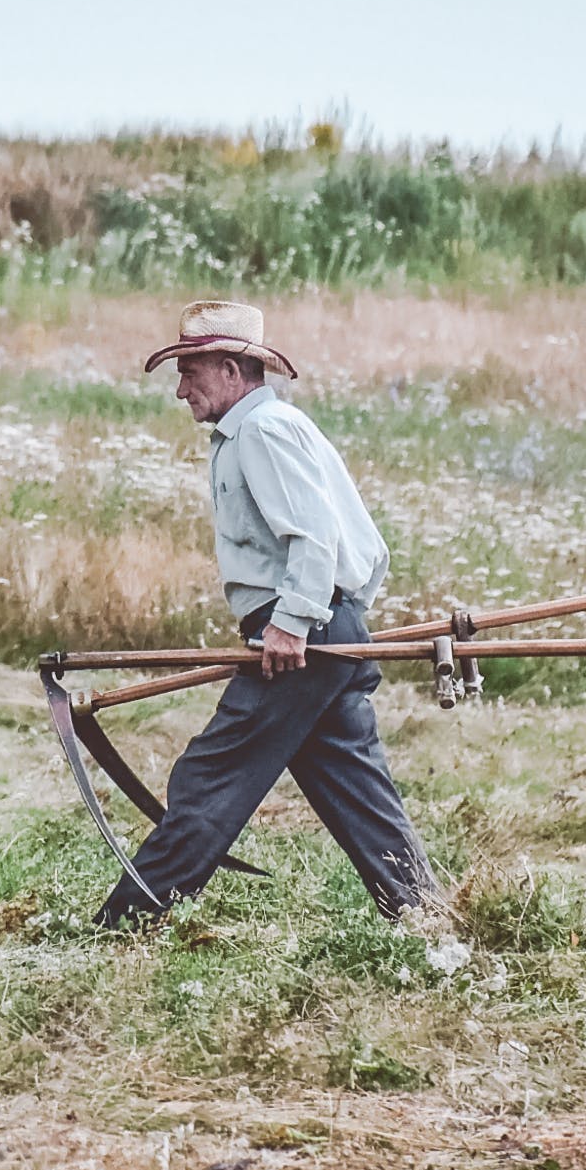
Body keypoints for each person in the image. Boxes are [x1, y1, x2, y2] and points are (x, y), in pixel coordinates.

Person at [96, 300, 438, 927]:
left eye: (189, 372)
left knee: (210, 776)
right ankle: (426, 914)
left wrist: (295, 622)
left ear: (230, 369)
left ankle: (127, 922)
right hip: (317, 630)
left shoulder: (263, 433)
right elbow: (361, 545)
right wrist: (336, 620)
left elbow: (315, 537)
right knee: (353, 786)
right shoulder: (266, 429)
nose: (179, 390)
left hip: (296, 635)